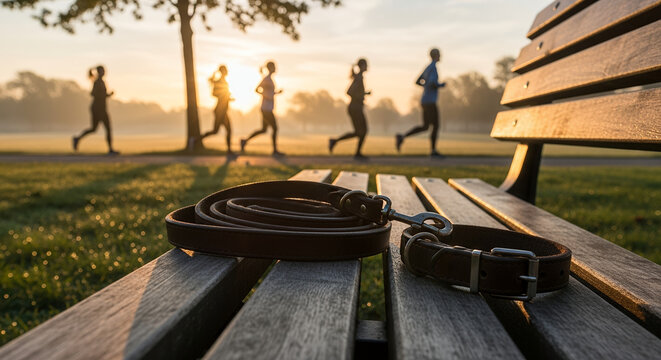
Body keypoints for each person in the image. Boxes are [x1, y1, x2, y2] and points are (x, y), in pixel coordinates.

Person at [396, 48, 446, 157]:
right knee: (436, 125)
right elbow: (433, 83)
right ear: (435, 55)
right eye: (439, 54)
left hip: (425, 100)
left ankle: (402, 137)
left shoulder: (428, 67)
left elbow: (418, 81)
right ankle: (433, 151)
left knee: (425, 126)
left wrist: (425, 86)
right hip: (430, 101)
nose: (441, 56)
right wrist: (440, 85)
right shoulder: (433, 68)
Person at [329, 58, 371, 160]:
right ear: (361, 66)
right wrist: (361, 96)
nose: (368, 67)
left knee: (359, 132)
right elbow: (349, 92)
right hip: (355, 108)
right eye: (366, 65)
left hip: (356, 108)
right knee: (363, 131)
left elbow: (356, 92)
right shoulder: (359, 77)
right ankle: (357, 153)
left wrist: (365, 94)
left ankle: (335, 141)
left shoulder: (359, 77)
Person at [240, 61, 283, 156]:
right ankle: (275, 151)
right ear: (270, 68)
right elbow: (257, 89)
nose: (276, 68)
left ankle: (245, 141)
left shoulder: (269, 79)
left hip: (268, 108)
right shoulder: (267, 79)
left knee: (264, 129)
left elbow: (270, 93)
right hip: (266, 108)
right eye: (274, 66)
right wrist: (266, 96)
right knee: (275, 128)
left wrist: (276, 93)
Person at [72, 65, 118, 155]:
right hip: (98, 109)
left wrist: (107, 95)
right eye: (103, 71)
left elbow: (100, 95)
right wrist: (107, 95)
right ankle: (110, 149)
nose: (104, 72)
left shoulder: (101, 82)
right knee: (107, 128)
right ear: (99, 72)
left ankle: (77, 138)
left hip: (100, 108)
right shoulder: (97, 82)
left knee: (94, 129)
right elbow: (93, 94)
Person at [201, 65, 234, 154]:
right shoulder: (220, 81)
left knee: (216, 131)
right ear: (222, 71)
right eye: (226, 70)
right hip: (220, 110)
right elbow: (214, 93)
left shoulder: (224, 81)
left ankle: (197, 139)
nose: (227, 71)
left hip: (223, 110)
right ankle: (197, 139)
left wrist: (228, 98)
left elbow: (224, 96)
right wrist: (223, 96)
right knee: (224, 130)